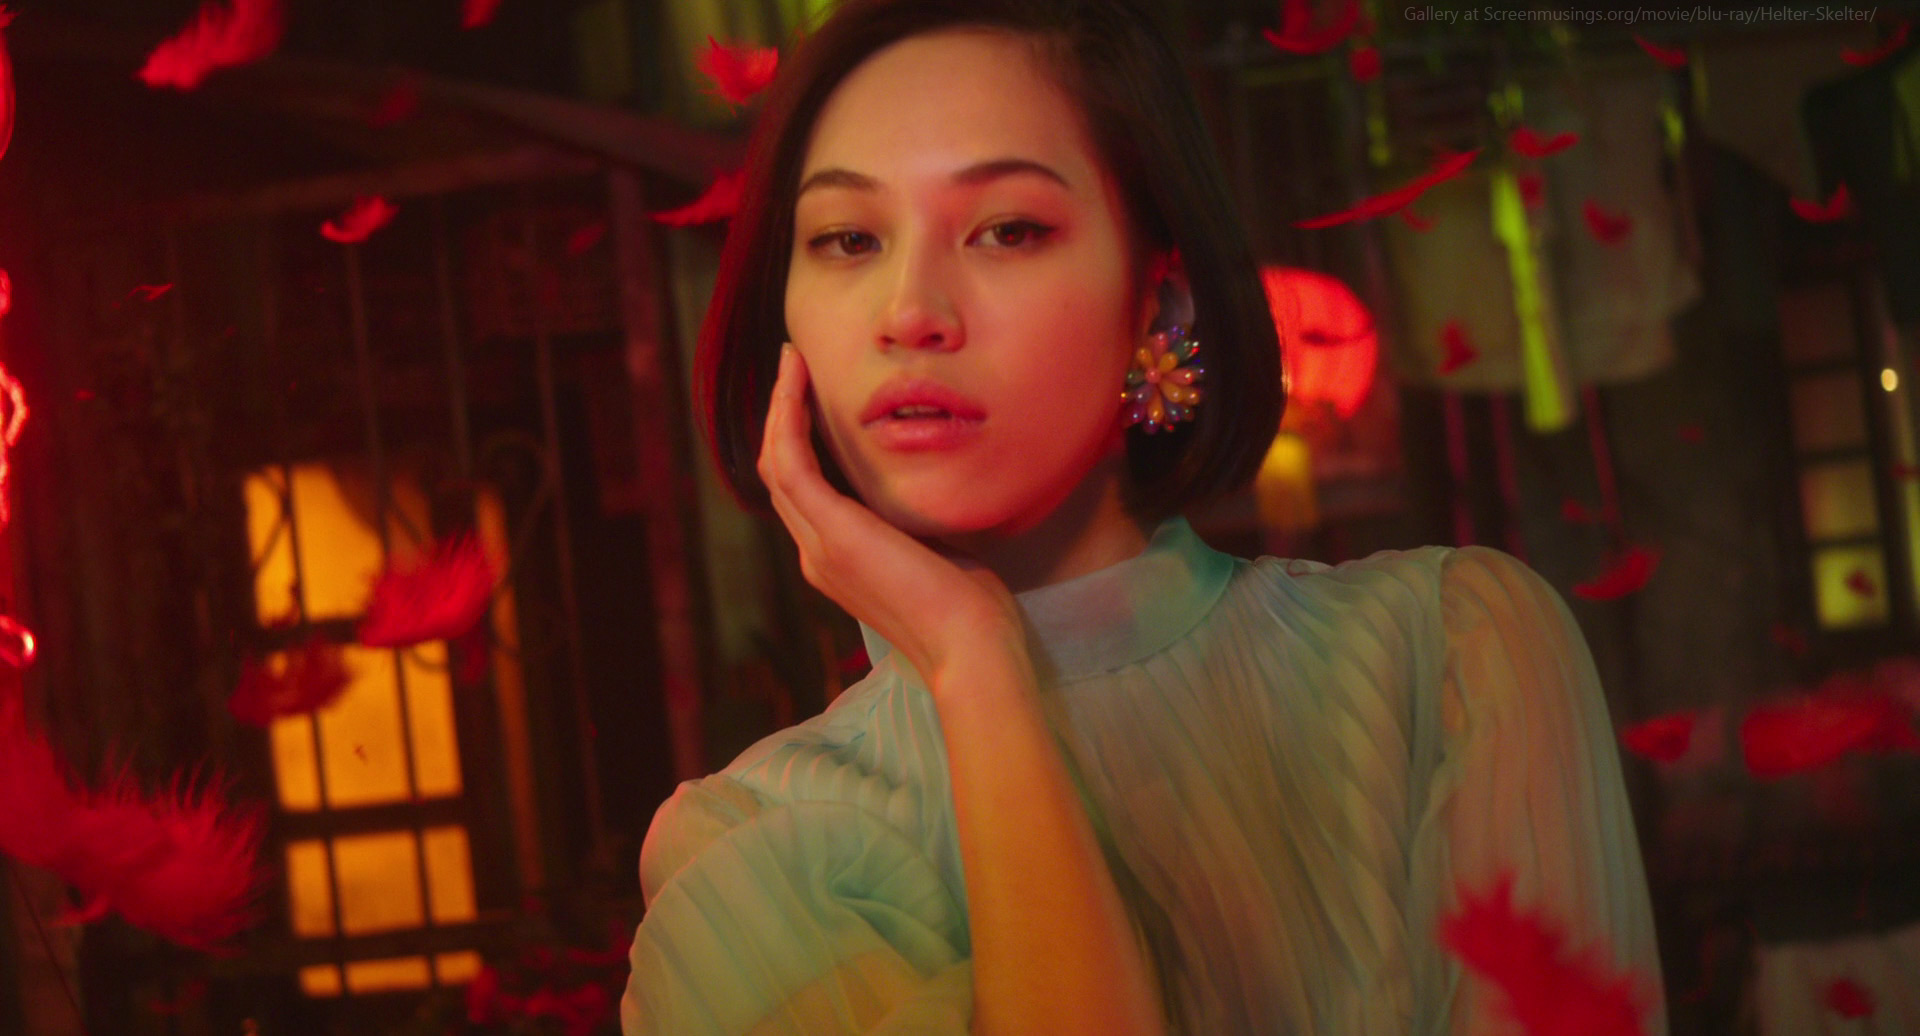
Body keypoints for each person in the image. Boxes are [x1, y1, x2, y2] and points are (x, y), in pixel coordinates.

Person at [622, 0, 1667, 1032]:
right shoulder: (753, 844)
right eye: (848, 238)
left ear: (1155, 294)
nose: (910, 312)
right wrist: (973, 657)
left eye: (1008, 229)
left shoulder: (1450, 656)